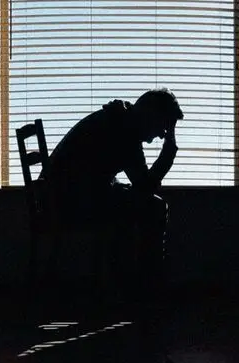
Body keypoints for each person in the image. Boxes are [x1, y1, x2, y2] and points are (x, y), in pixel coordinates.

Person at [39, 88, 184, 295]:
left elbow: (97, 172)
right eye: (164, 126)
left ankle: (128, 283)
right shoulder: (126, 130)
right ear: (151, 115)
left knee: (133, 207)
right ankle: (148, 285)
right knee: (154, 207)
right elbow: (144, 187)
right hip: (68, 201)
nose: (162, 135)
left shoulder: (120, 119)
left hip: (61, 195)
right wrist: (169, 150)